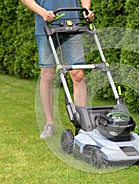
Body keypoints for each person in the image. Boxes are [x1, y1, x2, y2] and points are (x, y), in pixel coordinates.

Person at [21, 0, 94, 139]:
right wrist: (42, 12)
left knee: (78, 74)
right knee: (47, 75)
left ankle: (82, 126)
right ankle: (49, 123)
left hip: (73, 25)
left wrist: (86, 10)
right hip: (46, 26)